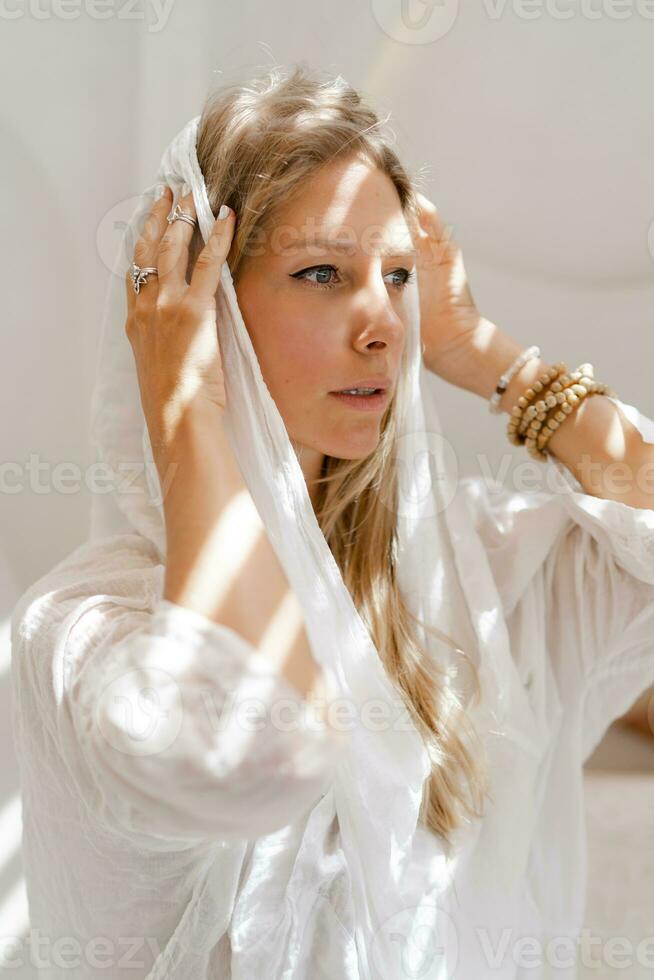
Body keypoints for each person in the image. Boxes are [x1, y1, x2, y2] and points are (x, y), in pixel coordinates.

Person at [10, 63, 654, 979]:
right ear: (208, 304)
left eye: (398, 277)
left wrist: (483, 352)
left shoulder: (476, 580)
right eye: (321, 271)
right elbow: (238, 748)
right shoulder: (87, 631)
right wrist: (185, 398)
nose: (386, 324)